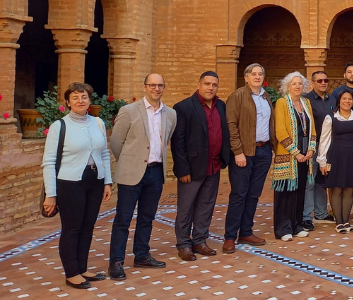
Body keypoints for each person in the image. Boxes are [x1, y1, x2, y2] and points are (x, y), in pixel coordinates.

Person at [42, 82, 112, 289]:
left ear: (89, 100)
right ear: (67, 102)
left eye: (84, 97)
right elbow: (49, 161)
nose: (80, 101)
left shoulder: (98, 123)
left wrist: (107, 181)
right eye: (75, 98)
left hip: (95, 181)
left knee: (88, 227)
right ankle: (71, 273)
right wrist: (51, 195)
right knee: (72, 229)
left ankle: (82, 268)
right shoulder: (59, 126)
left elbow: (105, 153)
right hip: (70, 183)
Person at [109, 73, 177, 280]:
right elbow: (115, 143)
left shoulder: (171, 114)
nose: (156, 89)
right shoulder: (128, 111)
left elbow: (167, 139)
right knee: (123, 218)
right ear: (144, 87)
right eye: (152, 85)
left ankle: (141, 255)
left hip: (156, 172)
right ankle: (116, 262)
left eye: (160, 85)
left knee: (147, 217)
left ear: (164, 87)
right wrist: (131, 162)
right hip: (132, 173)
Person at [171, 71, 230, 261]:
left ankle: (199, 240)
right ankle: (183, 244)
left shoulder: (221, 106)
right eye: (207, 84)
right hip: (192, 167)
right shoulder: (184, 107)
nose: (210, 88)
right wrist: (182, 169)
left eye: (214, 84)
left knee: (206, 205)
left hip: (213, 165)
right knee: (186, 207)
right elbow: (178, 142)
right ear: (199, 84)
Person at [222, 63, 276, 253]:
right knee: (239, 194)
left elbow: (270, 124)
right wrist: (238, 152)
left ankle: (245, 231)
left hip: (263, 152)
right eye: (253, 74)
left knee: (253, 194)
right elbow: (231, 125)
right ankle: (229, 236)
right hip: (244, 153)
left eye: (260, 74)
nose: (257, 77)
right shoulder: (237, 96)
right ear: (246, 77)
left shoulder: (266, 96)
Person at [271, 71, 316, 241]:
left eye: (300, 84)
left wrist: (311, 149)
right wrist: (295, 152)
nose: (297, 86)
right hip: (289, 156)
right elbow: (280, 131)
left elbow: (312, 127)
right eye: (293, 84)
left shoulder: (306, 102)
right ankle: (283, 229)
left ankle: (297, 225)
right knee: (286, 193)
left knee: (300, 191)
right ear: (287, 86)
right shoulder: (282, 102)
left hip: (305, 156)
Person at [318, 90, 353, 233]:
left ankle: (346, 221)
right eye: (344, 99)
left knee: (349, 189)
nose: (347, 101)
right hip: (335, 155)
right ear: (339, 101)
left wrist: (350, 146)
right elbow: (324, 140)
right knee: (337, 188)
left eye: (349, 99)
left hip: (352, 155)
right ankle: (339, 222)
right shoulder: (330, 118)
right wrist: (322, 161)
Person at [303, 71, 336, 230]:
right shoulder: (307, 100)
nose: (323, 83)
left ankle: (321, 213)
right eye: (319, 80)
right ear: (313, 83)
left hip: (328, 147)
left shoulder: (332, 100)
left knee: (322, 181)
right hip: (312, 147)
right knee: (310, 181)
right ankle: (306, 216)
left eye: (325, 80)